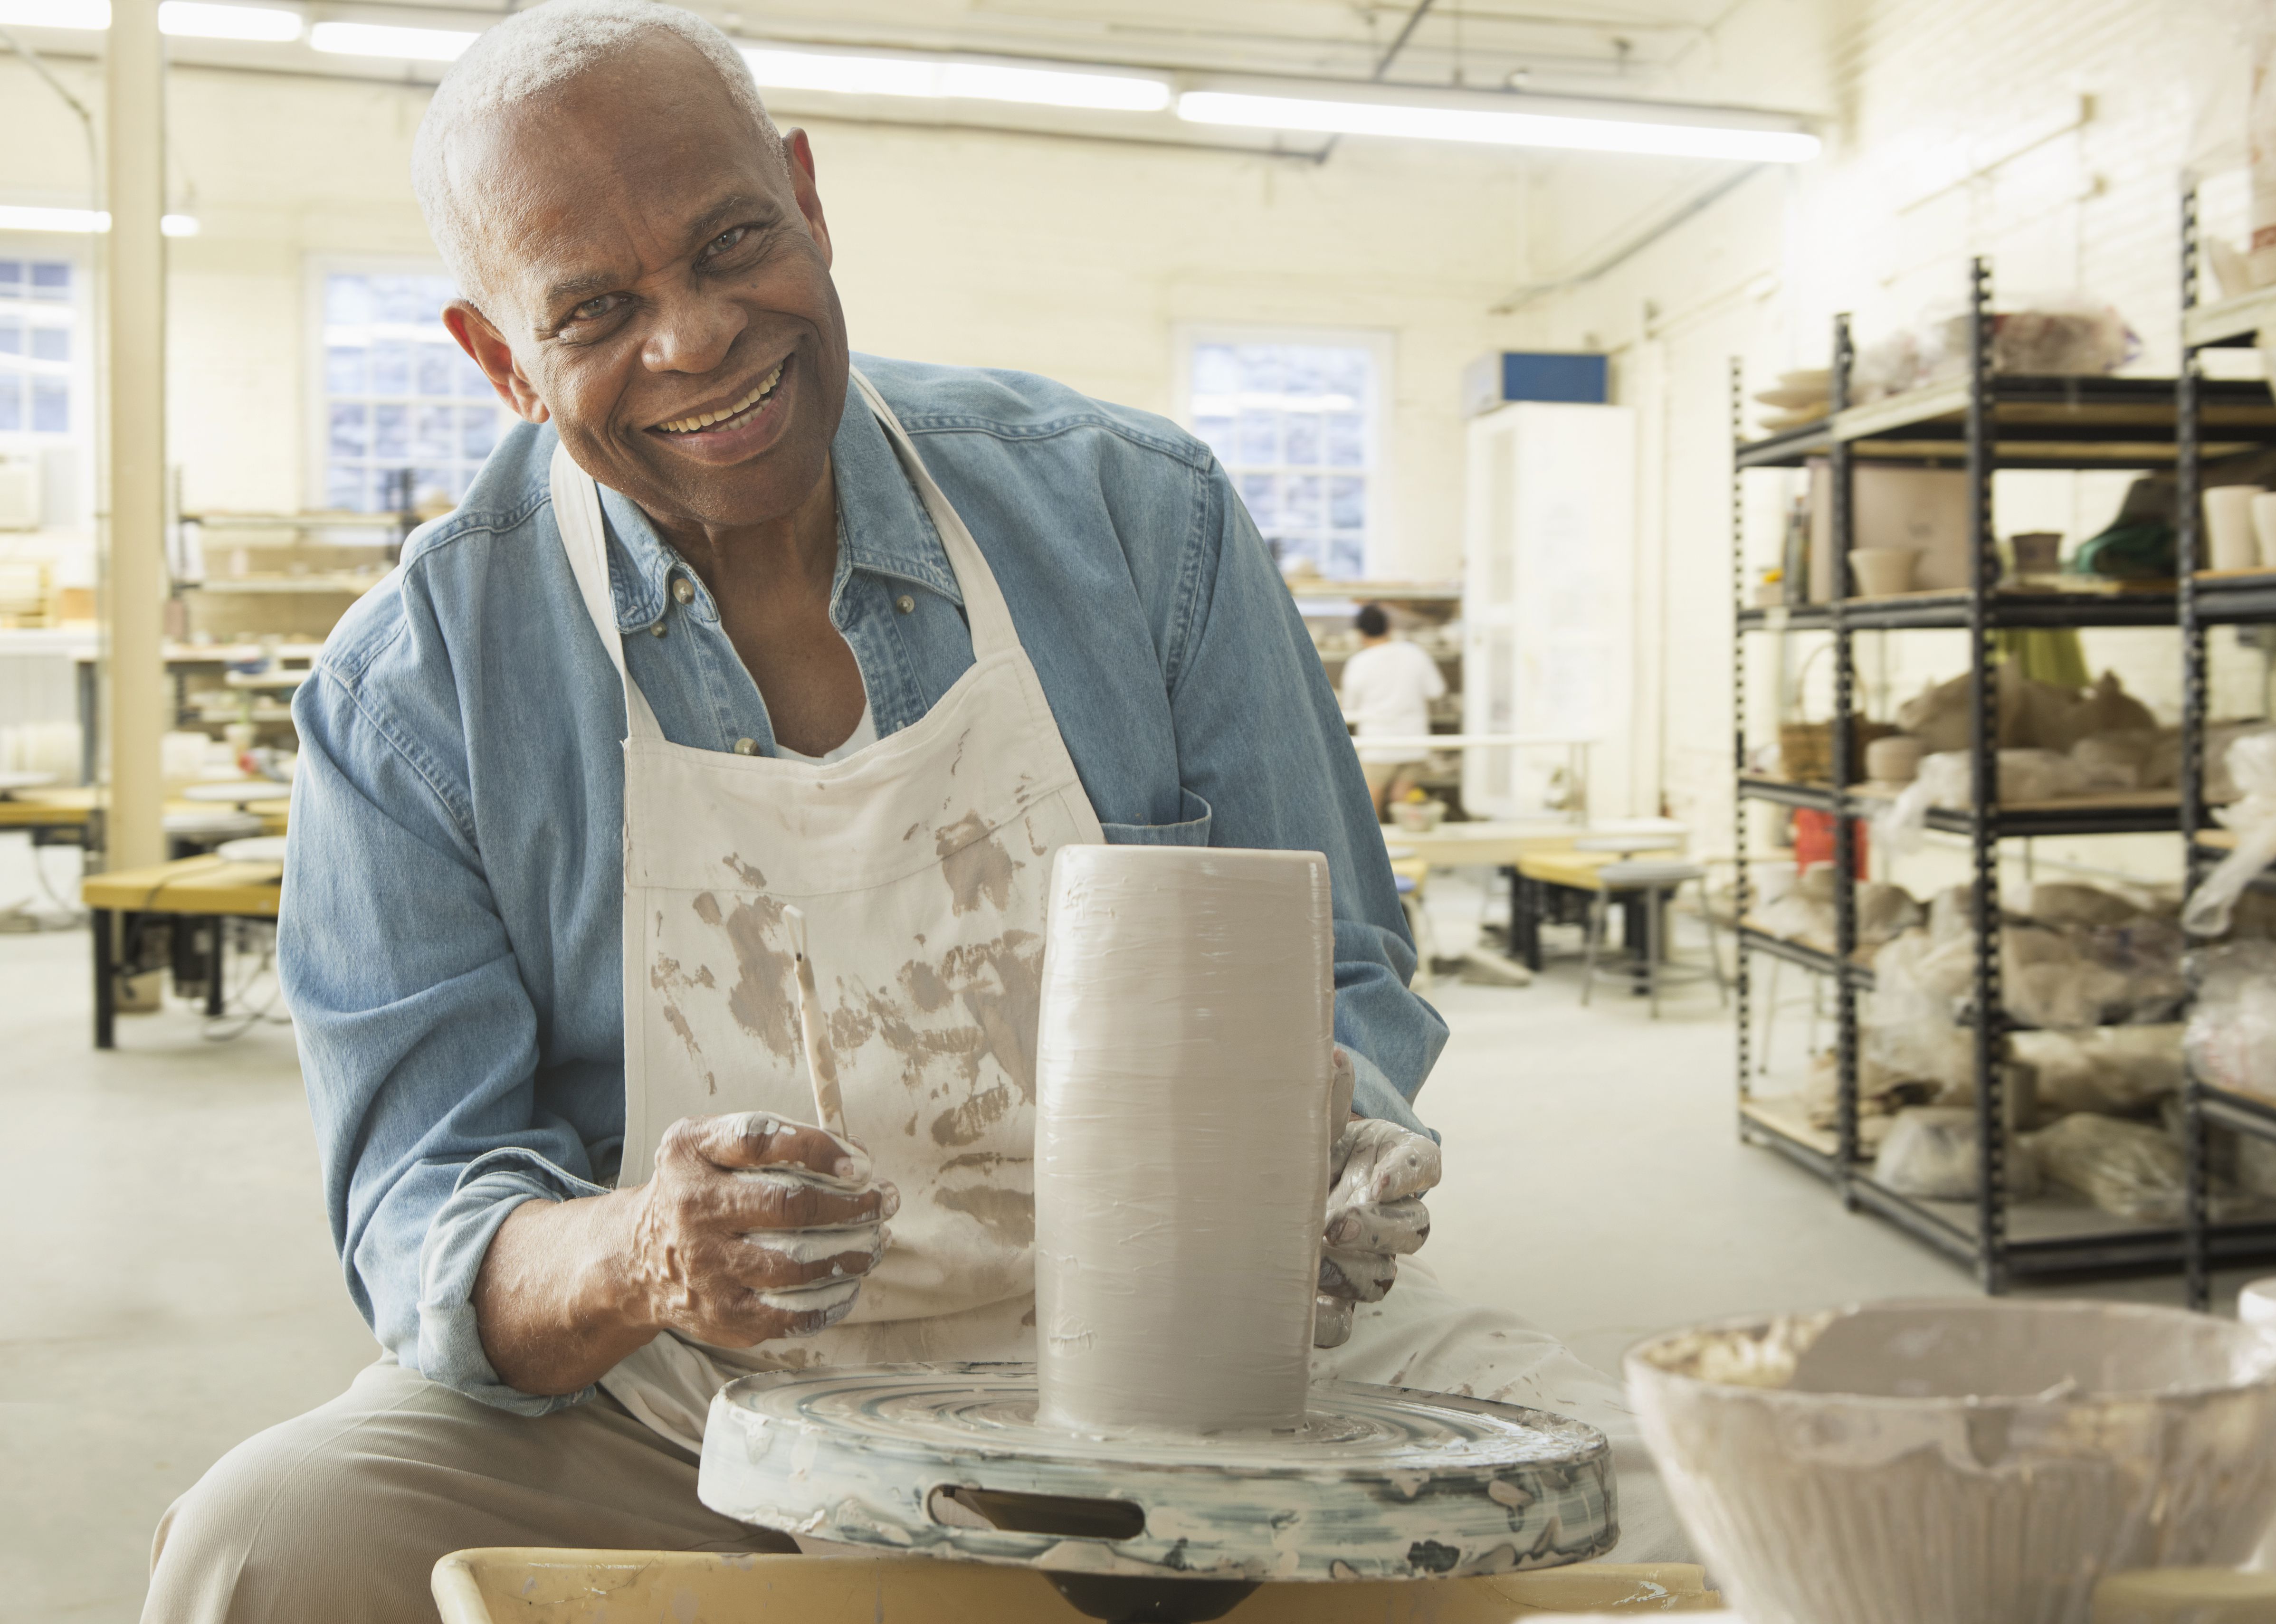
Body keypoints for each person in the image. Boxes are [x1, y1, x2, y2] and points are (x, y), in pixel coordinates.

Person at [139, 6, 1685, 1618]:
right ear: (498, 358)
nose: (693, 339)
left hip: (1204, 1363)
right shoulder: (419, 685)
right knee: (271, 1542)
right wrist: (643, 1253)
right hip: (690, 1408)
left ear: (807, 199)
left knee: (1682, 1515)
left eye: (732, 239)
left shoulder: (1134, 517)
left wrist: (1319, 1148)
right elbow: (420, 1209)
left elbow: (1346, 964)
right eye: (594, 308)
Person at [1340, 602, 1447, 817]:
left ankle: (1373, 850)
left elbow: (1349, 707)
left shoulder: (1359, 663)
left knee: (1370, 807)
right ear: (1389, 627)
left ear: (1360, 633)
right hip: (1414, 741)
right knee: (1403, 802)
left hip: (1378, 743)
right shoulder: (1414, 654)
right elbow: (1436, 691)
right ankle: (1407, 846)